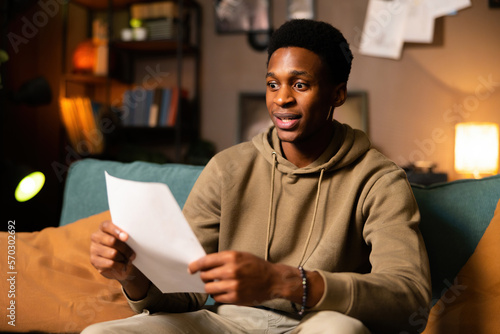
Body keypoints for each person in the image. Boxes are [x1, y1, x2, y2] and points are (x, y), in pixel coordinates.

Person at [83, 19, 431, 334]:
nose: (282, 99)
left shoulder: (378, 179)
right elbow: (184, 291)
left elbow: (408, 296)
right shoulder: (226, 168)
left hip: (317, 321)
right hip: (228, 323)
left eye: (300, 84)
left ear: (336, 94)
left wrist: (284, 282)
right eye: (272, 83)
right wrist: (133, 276)